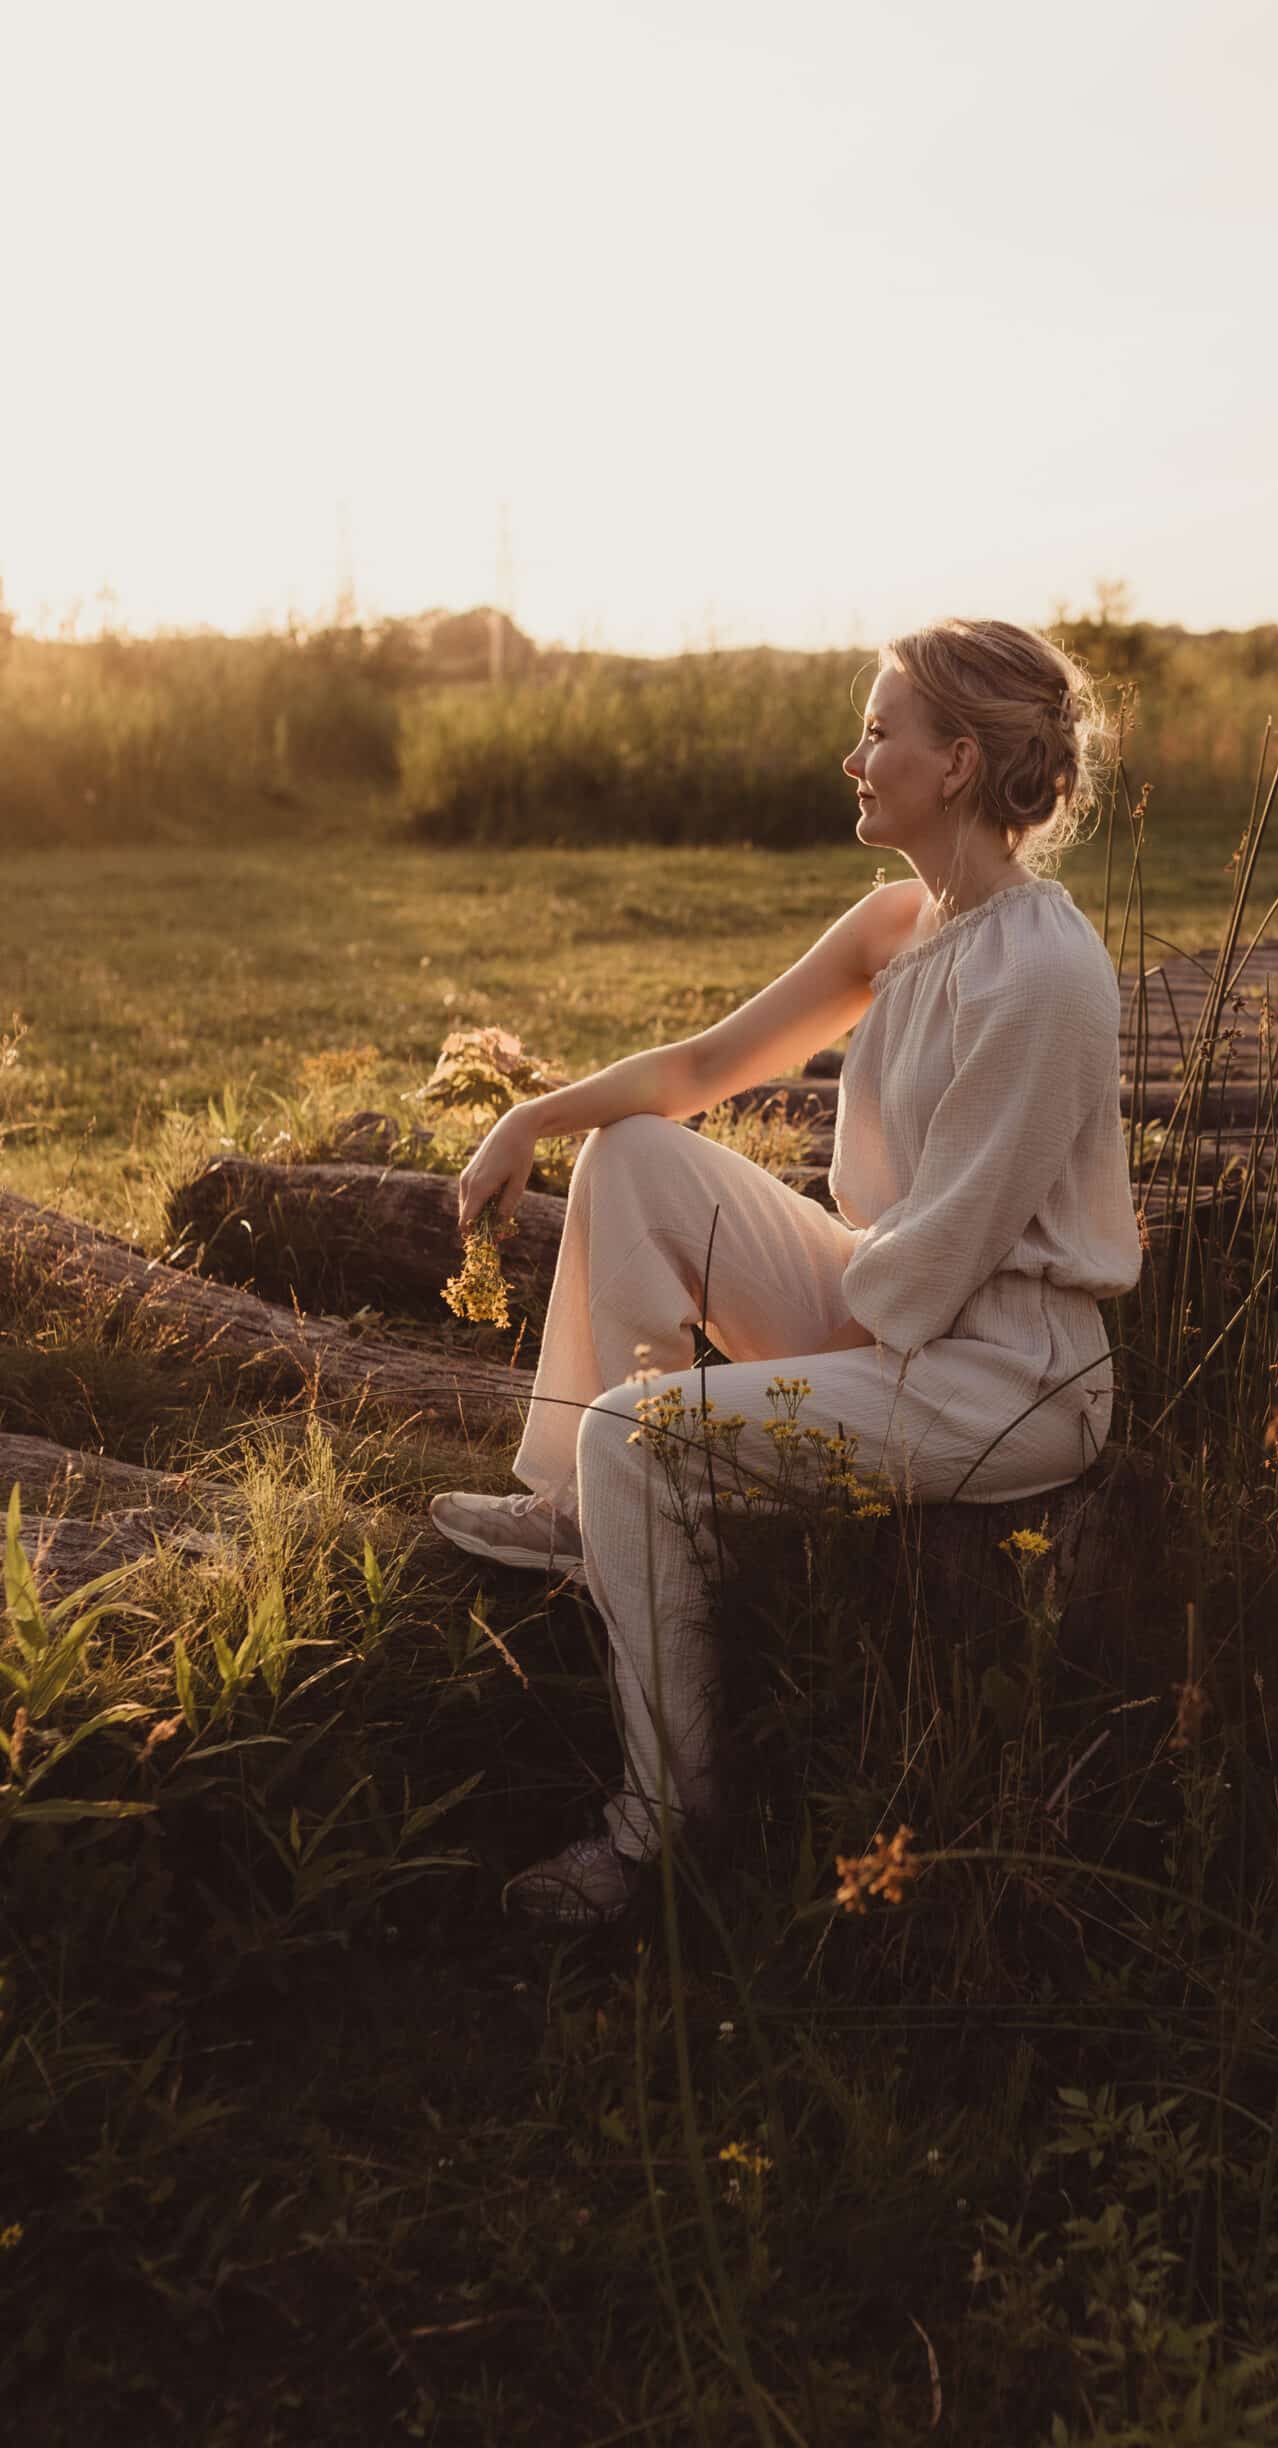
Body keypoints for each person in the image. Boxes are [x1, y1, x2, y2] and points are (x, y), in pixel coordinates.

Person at [428, 616, 1143, 1927]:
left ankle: (663, 1830)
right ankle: (582, 1512)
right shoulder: (896, 923)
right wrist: (530, 1118)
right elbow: (705, 1070)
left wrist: (728, 1402)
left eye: (879, 732)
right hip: (901, 1303)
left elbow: (940, 1268)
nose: (853, 756)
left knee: (639, 1436)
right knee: (634, 1156)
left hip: (1002, 1377)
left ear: (960, 763)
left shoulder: (1045, 975)